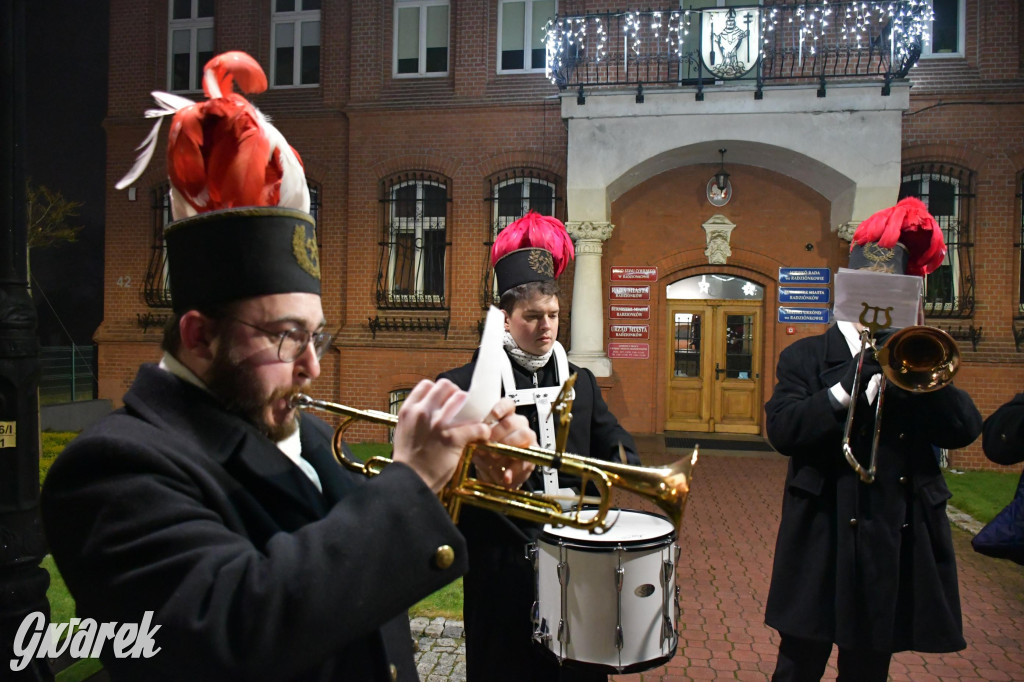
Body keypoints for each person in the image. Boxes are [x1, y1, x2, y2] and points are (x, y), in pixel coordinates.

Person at [39, 52, 535, 681]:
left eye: (315, 338)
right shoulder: (112, 468)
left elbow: (359, 567)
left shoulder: (294, 431)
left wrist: (469, 476)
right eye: (284, 338)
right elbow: (232, 630)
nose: (311, 368)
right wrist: (412, 479)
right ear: (198, 336)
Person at [763, 197, 983, 682]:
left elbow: (966, 428)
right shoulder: (805, 357)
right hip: (822, 530)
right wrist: (847, 387)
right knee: (799, 662)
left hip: (888, 531)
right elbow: (782, 429)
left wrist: (913, 370)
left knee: (867, 666)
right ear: (849, 292)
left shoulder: (913, 357)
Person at [438, 211, 640, 682]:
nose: (546, 327)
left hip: (575, 568)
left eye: (552, 315)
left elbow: (618, 445)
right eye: (532, 317)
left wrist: (621, 468)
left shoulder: (581, 383)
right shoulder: (466, 386)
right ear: (505, 319)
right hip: (500, 572)